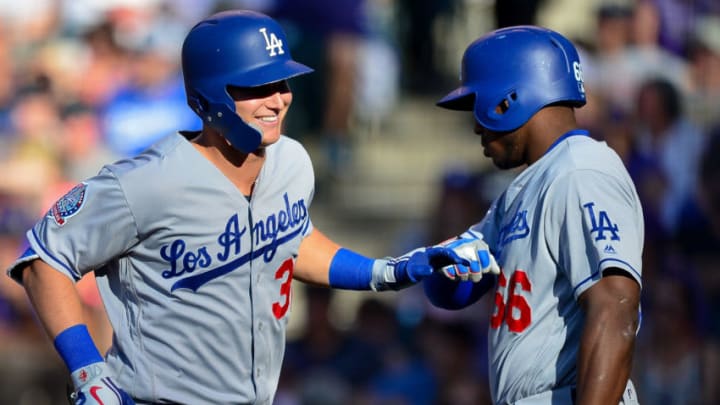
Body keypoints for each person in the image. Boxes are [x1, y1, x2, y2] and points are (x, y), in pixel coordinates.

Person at [3, 10, 497, 405]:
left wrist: (388, 272)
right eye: (256, 88)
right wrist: (87, 371)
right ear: (209, 96)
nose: (278, 99)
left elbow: (292, 240)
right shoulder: (143, 183)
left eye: (282, 84)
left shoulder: (293, 162)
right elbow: (44, 261)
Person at [423, 25, 644, 404]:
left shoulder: (581, 170)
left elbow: (616, 306)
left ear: (507, 100)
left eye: (476, 104)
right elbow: (446, 288)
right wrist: (446, 267)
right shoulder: (523, 190)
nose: (476, 126)